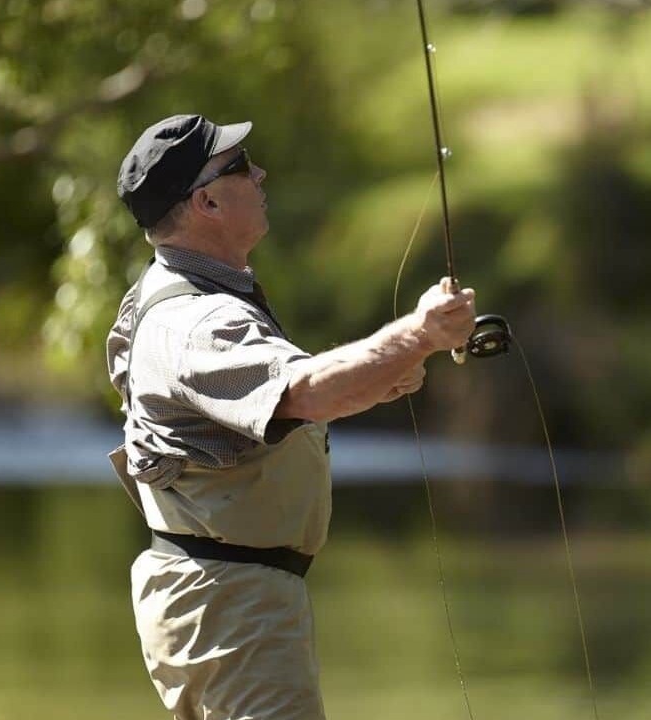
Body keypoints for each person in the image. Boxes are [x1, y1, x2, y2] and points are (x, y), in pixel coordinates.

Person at [105, 114, 476, 720]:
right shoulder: (198, 321)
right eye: (239, 164)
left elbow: (266, 403)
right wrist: (419, 334)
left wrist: (380, 374)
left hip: (224, 599)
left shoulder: (192, 294)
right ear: (207, 202)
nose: (259, 172)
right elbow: (303, 390)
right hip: (232, 608)